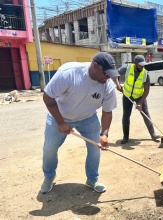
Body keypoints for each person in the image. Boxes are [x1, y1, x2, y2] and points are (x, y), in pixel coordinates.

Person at [41, 52, 119, 194]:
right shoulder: (69, 73)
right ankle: (49, 177)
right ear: (95, 65)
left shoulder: (108, 86)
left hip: (88, 118)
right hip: (60, 116)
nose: (108, 78)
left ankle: (92, 179)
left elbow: (107, 112)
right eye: (106, 73)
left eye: (110, 74)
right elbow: (48, 97)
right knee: (49, 149)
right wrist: (60, 122)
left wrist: (104, 133)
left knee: (95, 148)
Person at [118, 55, 160, 144]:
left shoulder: (145, 73)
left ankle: (153, 134)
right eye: (140, 65)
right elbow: (116, 73)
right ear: (135, 63)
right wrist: (118, 85)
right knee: (126, 115)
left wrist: (140, 103)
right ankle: (125, 136)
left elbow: (147, 89)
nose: (142, 66)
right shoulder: (127, 67)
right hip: (127, 95)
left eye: (143, 65)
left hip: (140, 96)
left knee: (145, 114)